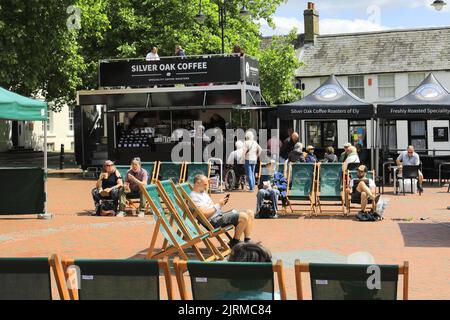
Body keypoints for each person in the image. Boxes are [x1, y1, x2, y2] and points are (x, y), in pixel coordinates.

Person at [190, 174, 254, 247]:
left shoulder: (203, 193)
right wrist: (218, 205)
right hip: (213, 221)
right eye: (205, 185)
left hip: (218, 216)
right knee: (243, 217)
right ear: (198, 183)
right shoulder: (194, 197)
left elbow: (211, 207)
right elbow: (204, 214)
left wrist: (220, 204)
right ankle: (235, 242)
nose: (206, 187)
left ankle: (247, 241)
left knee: (250, 213)